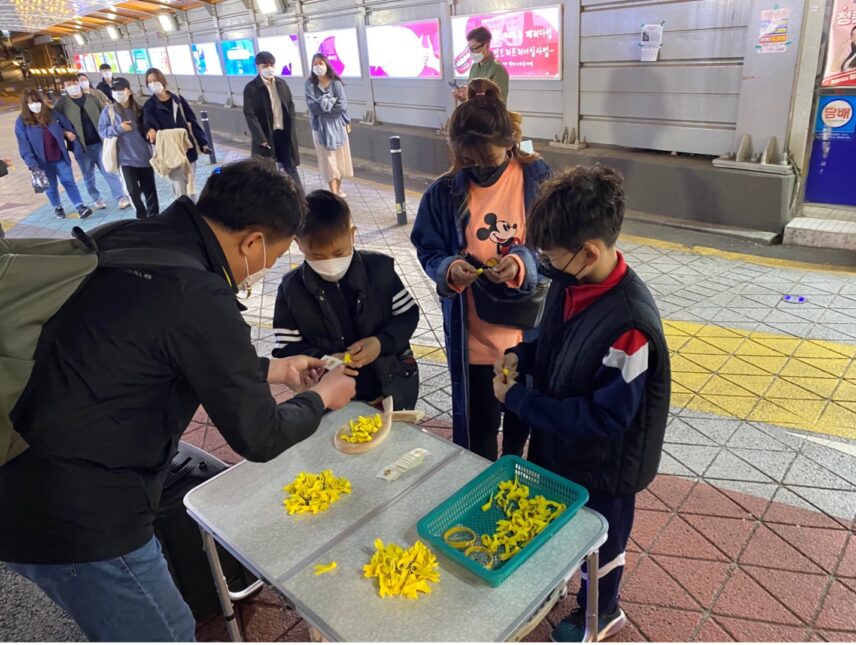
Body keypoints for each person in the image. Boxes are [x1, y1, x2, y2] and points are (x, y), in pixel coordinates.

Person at [0, 159, 356, 642]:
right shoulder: (198, 293)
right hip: (81, 511)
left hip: (23, 467)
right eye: (271, 257)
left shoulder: (132, 237)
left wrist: (273, 368)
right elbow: (260, 435)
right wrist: (321, 395)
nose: (266, 269)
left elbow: (154, 349)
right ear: (252, 241)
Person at [493, 166, 671, 642]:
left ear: (589, 251)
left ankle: (601, 611)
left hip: (607, 464)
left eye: (551, 257)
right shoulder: (573, 283)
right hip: (564, 445)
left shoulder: (630, 325)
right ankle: (564, 588)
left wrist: (519, 399)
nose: (545, 266)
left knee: (603, 542)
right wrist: (521, 354)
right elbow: (553, 343)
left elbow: (607, 417)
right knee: (562, 527)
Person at [411, 78, 550, 460]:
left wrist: (523, 261)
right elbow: (427, 248)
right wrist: (450, 268)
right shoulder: (444, 193)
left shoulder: (538, 181)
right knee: (477, 442)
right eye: (466, 162)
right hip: (473, 340)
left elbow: (558, 249)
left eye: (486, 162)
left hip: (530, 338)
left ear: (510, 143)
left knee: (528, 433)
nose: (476, 170)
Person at [273, 190, 420, 409]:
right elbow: (286, 347)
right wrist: (326, 359)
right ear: (298, 243)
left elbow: (407, 314)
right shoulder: (291, 289)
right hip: (332, 398)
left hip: (390, 386)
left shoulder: (379, 270)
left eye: (339, 252)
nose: (330, 263)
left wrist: (380, 343)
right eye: (317, 256)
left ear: (352, 234)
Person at [14, 89, 93, 219]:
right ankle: (57, 206)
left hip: (59, 156)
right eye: (30, 103)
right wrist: (31, 163)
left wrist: (68, 135)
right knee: (50, 187)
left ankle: (80, 206)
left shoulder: (52, 114)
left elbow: (68, 127)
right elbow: (23, 143)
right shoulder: (22, 121)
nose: (35, 105)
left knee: (69, 181)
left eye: (37, 101)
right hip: (40, 162)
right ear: (25, 105)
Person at [55, 76, 130, 211]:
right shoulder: (62, 104)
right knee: (88, 175)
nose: (73, 85)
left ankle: (121, 197)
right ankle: (97, 198)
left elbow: (106, 114)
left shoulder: (91, 98)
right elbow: (54, 123)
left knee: (109, 170)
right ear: (64, 87)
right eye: (69, 84)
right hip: (81, 147)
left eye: (75, 83)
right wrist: (65, 132)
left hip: (100, 142)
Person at [142, 67, 211, 199]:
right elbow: (147, 126)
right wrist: (149, 130)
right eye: (149, 81)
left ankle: (192, 212)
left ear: (163, 80)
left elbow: (192, 121)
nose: (153, 83)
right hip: (169, 151)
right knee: (179, 186)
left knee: (190, 184)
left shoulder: (177, 100)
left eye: (155, 80)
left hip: (186, 148)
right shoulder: (149, 106)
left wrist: (203, 142)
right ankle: (184, 213)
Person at [98, 77, 159, 219]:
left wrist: (151, 130)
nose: (118, 93)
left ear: (129, 91)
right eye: (115, 90)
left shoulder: (140, 109)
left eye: (121, 90)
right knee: (133, 193)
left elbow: (151, 125)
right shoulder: (109, 111)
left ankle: (155, 218)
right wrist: (118, 129)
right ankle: (141, 218)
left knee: (150, 191)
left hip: (145, 157)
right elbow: (102, 131)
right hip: (125, 160)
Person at [243, 51, 301, 190]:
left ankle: (301, 200)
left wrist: (291, 125)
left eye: (271, 65)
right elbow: (250, 114)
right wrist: (261, 138)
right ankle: (271, 202)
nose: (269, 68)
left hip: (283, 134)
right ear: (258, 67)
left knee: (291, 169)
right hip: (266, 137)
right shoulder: (252, 88)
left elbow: (290, 106)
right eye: (265, 65)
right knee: (266, 171)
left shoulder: (281, 84)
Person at [305, 53, 353, 198]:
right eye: (315, 64)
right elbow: (312, 106)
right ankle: (333, 192)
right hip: (320, 128)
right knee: (327, 159)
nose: (318, 66)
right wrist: (329, 105)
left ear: (326, 65)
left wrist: (325, 108)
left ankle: (338, 188)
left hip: (339, 127)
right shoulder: (310, 84)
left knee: (340, 158)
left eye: (321, 63)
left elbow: (342, 105)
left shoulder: (336, 83)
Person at [452, 26, 509, 104]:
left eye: (474, 48)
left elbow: (499, 103)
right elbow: (472, 100)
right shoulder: (474, 67)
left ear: (487, 46)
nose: (471, 52)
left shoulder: (497, 69)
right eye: (469, 49)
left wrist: (470, 94)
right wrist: (463, 96)